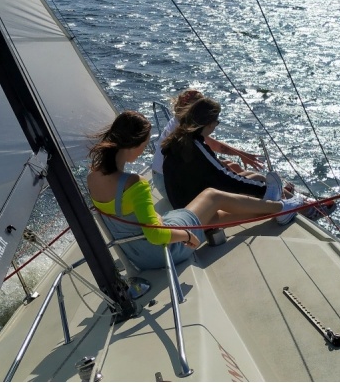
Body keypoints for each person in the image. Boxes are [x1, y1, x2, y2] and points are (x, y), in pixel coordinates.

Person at [87, 110, 303, 271]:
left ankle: (274, 212)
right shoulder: (134, 183)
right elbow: (155, 235)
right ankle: (281, 207)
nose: (144, 150)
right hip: (162, 251)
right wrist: (187, 234)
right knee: (212, 195)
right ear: (133, 145)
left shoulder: (92, 177)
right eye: (144, 145)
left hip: (136, 254)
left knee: (212, 215)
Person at [161, 97, 293, 209]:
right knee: (240, 189)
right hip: (195, 211)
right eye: (216, 122)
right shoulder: (195, 146)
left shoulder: (180, 140)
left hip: (184, 204)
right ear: (209, 123)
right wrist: (264, 190)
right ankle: (282, 207)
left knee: (255, 180)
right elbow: (226, 179)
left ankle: (289, 202)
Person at [151, 89, 263, 198]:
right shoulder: (185, 132)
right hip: (167, 184)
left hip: (161, 177)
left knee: (233, 166)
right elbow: (212, 148)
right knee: (255, 178)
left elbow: (212, 145)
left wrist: (242, 154)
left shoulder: (183, 123)